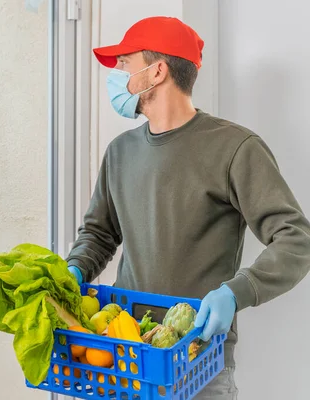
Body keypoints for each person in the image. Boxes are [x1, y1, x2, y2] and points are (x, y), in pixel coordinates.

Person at [65, 16, 310, 399]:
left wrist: (237, 291)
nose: (118, 77)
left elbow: (296, 239)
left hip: (199, 363)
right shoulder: (120, 153)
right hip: (125, 356)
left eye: (126, 64)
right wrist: (75, 269)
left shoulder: (234, 148)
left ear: (157, 71)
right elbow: (98, 233)